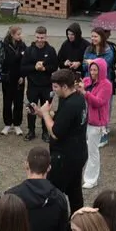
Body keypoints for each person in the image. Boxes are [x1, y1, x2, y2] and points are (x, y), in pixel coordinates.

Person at [34, 68, 88, 213]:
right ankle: (78, 219)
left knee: (52, 192)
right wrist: (42, 113)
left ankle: (55, 220)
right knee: (75, 192)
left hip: (65, 158)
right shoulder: (77, 98)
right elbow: (62, 118)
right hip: (78, 153)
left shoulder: (71, 104)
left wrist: (46, 114)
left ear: (65, 86)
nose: (53, 90)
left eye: (56, 87)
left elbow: (55, 132)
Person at [20, 26, 58, 141]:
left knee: (46, 109)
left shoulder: (51, 50)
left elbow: (55, 67)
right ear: (35, 36)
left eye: (42, 38)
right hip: (33, 85)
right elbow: (23, 67)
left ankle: (45, 132)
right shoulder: (29, 50)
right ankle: (31, 131)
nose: (40, 40)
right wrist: (34, 67)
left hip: (47, 86)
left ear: (46, 37)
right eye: (38, 37)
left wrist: (44, 68)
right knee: (31, 108)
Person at [81, 59, 112, 190]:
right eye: (91, 70)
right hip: (85, 120)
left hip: (96, 123)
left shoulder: (106, 85)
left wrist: (85, 93)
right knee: (85, 149)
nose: (93, 72)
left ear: (102, 71)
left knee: (92, 151)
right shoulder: (87, 81)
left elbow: (99, 102)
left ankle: (91, 179)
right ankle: (85, 176)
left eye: (95, 70)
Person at [0, 26, 27, 136]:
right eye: (18, 34)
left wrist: (23, 76)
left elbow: (25, 62)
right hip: (7, 78)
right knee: (7, 101)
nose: (20, 36)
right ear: (12, 34)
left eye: (21, 34)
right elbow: (2, 60)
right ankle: (7, 124)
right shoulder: (4, 45)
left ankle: (17, 124)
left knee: (18, 101)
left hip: (19, 78)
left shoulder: (23, 46)